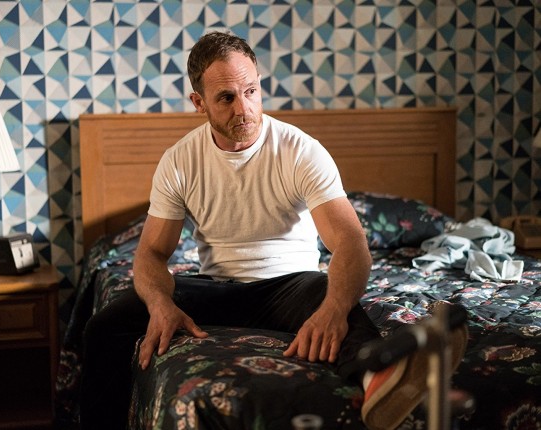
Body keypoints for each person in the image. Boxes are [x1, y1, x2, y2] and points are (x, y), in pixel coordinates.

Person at [80, 31, 466, 430]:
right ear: (199, 103)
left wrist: (332, 310)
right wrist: (161, 304)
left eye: (251, 91)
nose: (244, 108)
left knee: (336, 299)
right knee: (105, 327)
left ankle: (383, 383)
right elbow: (151, 253)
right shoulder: (179, 161)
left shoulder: (300, 151)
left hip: (290, 287)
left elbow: (350, 241)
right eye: (226, 98)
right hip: (216, 288)